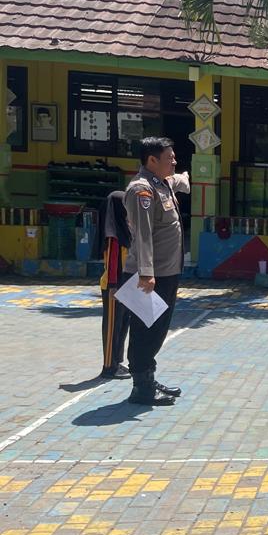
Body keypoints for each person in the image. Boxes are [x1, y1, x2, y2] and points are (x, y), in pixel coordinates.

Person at [123, 136, 186, 407]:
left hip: (166, 272)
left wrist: (184, 177)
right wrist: (146, 273)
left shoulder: (162, 183)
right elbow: (143, 235)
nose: (174, 161)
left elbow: (180, 180)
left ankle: (148, 378)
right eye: (169, 158)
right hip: (149, 276)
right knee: (145, 331)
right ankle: (141, 388)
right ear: (151, 160)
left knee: (158, 329)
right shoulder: (142, 190)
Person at [97, 190, 131, 380]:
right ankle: (108, 367)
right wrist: (112, 286)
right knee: (111, 327)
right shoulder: (113, 236)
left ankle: (117, 361)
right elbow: (112, 262)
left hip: (125, 286)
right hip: (114, 287)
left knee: (122, 325)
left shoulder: (125, 230)